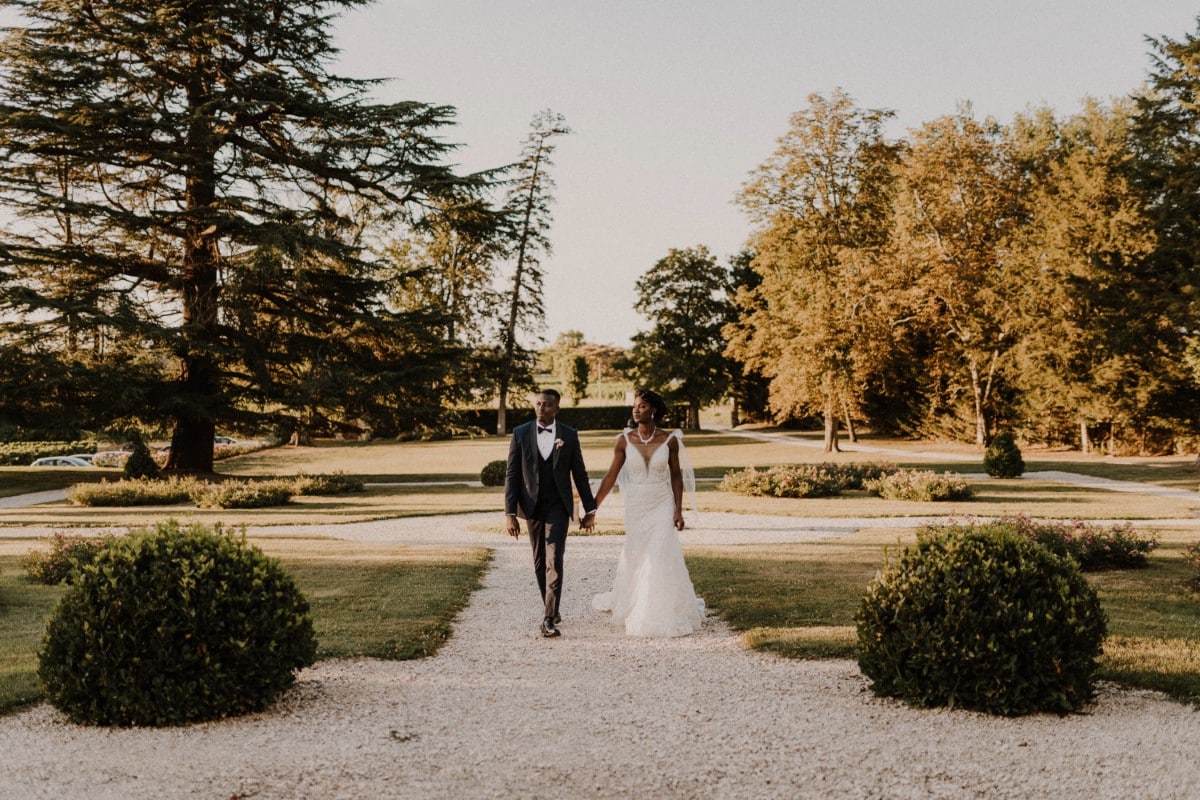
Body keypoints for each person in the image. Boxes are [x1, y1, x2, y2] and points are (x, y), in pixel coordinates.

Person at [591, 388, 705, 637]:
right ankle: (633, 602)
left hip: (662, 504)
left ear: (653, 410)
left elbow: (676, 476)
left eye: (641, 406)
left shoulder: (670, 440)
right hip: (636, 506)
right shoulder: (623, 440)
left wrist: (678, 509)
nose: (636, 409)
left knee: (659, 553)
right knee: (638, 554)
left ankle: (654, 612)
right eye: (635, 405)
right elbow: (611, 476)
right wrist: (593, 507)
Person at [504, 388, 596, 638]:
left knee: (554, 559)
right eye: (538, 404)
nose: (541, 408)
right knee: (538, 562)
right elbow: (512, 474)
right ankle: (552, 609)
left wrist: (590, 508)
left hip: (558, 506)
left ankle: (547, 618)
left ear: (556, 408)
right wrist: (509, 513)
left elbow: (579, 472)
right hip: (532, 507)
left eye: (546, 405)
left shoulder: (569, 434)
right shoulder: (520, 433)